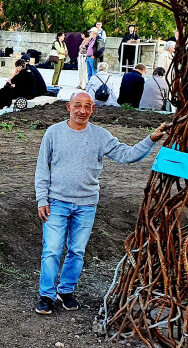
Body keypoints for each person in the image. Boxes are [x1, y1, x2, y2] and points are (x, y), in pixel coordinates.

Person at [34, 91, 168, 315]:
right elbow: (42, 169)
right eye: (78, 105)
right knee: (52, 250)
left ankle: (65, 291)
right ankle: (46, 295)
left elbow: (127, 155)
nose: (82, 111)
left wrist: (151, 139)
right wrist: (42, 199)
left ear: (93, 109)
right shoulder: (53, 133)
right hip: (56, 202)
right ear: (68, 107)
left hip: (86, 204)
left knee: (76, 250)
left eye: (87, 106)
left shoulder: (100, 135)